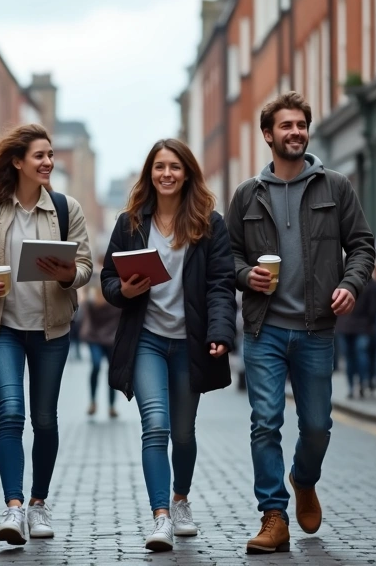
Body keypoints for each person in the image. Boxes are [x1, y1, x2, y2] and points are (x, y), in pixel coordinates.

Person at [226, 92, 376, 554]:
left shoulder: (335, 186)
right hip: (264, 328)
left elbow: (363, 245)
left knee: (316, 425)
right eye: (285, 126)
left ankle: (303, 479)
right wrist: (243, 274)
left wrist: (351, 285)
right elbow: (227, 255)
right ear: (268, 135)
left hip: (316, 327)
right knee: (265, 421)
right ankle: (274, 516)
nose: (295, 132)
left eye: (301, 125)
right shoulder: (247, 195)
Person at [0, 124, 93, 546]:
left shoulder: (66, 208)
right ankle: (13, 508)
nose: (48, 162)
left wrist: (71, 274)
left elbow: (87, 265)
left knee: (46, 419)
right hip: (3, 327)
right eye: (40, 156)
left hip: (52, 330)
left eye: (51, 155)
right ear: (18, 161)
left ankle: (38, 503)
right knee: (11, 413)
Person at [101, 139, 237, 552]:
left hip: (190, 343)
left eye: (174, 167)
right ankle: (160, 516)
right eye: (159, 167)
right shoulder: (130, 225)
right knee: (155, 427)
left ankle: (180, 499)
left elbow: (220, 284)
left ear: (187, 173)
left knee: (183, 434)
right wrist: (123, 288)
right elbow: (108, 280)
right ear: (150, 174)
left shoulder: (209, 224)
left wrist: (220, 332)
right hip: (147, 340)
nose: (166, 174)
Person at [79, 275, 121, 418]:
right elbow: (83, 302)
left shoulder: (115, 303)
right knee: (96, 365)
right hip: (94, 338)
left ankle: (111, 406)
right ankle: (92, 402)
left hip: (111, 339)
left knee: (112, 372)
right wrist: (86, 296)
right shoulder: (91, 304)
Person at [336, 274, 376, 399]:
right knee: (357, 355)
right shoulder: (368, 281)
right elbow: (374, 307)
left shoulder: (342, 278)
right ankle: (359, 384)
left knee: (355, 356)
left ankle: (356, 385)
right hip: (353, 326)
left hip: (354, 326)